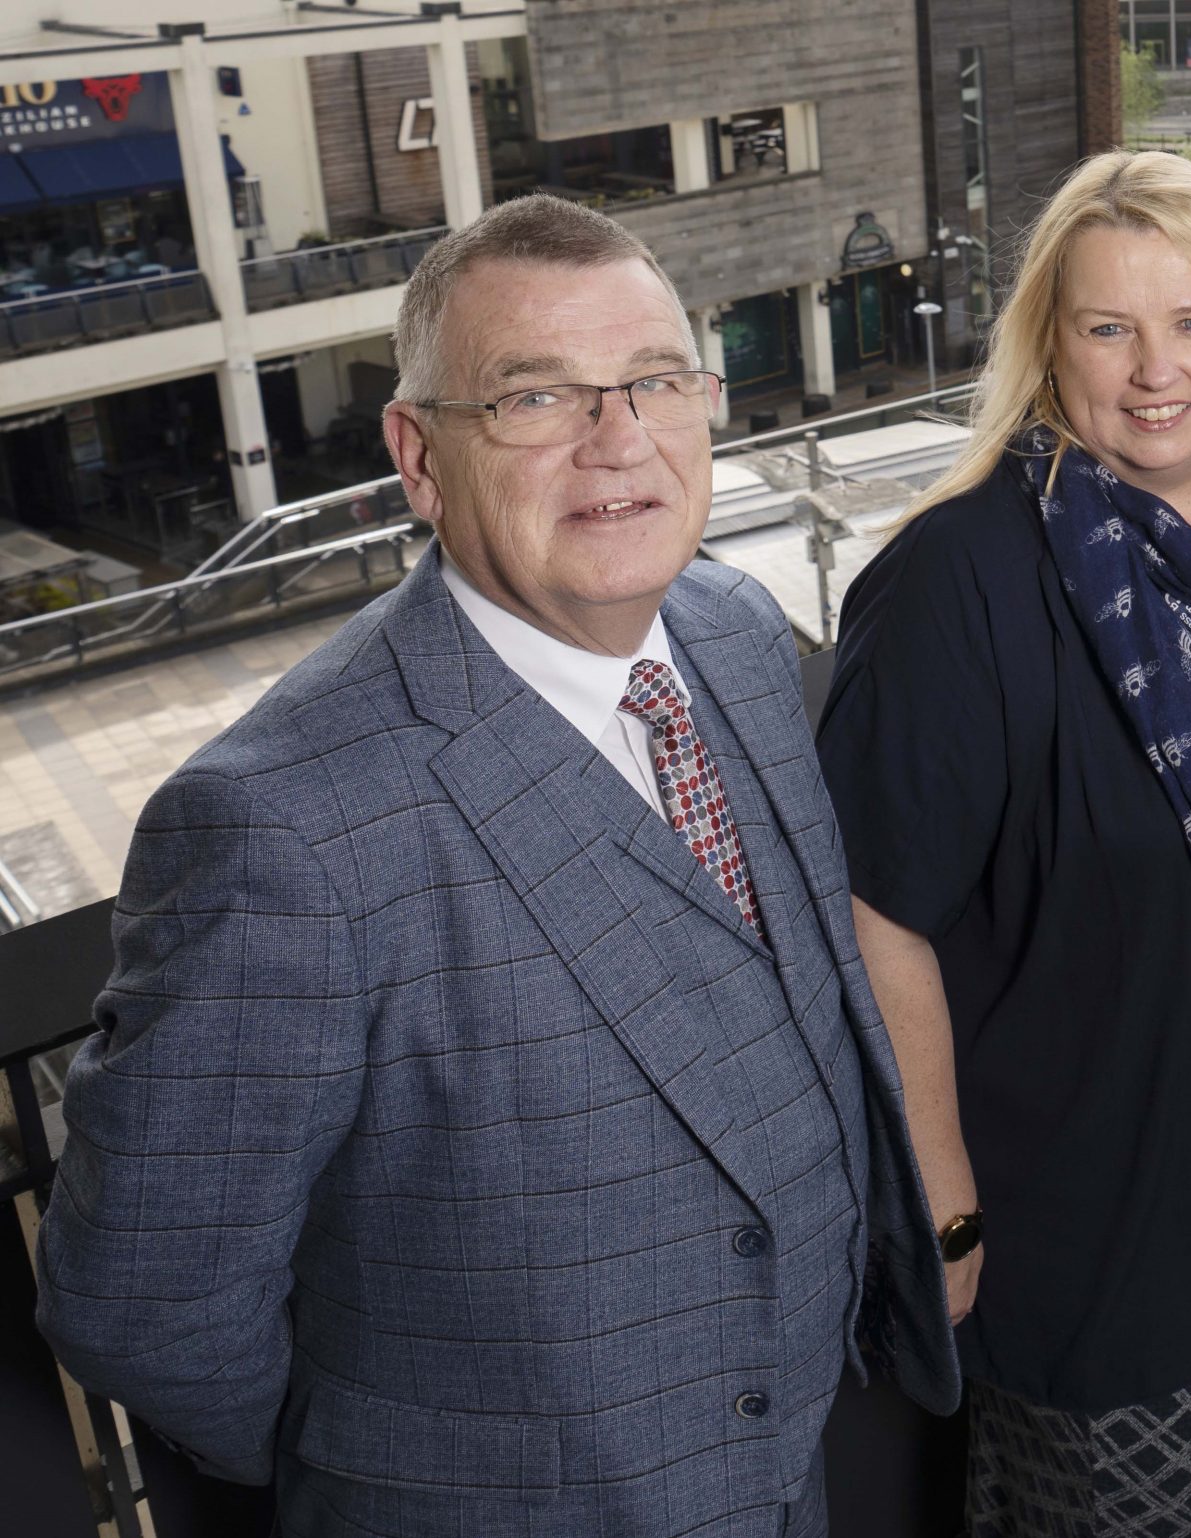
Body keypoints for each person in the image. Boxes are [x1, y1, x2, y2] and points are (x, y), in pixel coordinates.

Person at [34, 195, 960, 1537]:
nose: (620, 440)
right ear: (418, 457)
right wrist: (409, 1470)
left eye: (655, 380)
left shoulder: (739, 634)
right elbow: (141, 1294)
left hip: (789, 1461)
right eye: (538, 399)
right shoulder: (276, 826)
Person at [813, 150, 1191, 1537]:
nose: (1157, 370)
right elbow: (871, 909)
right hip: (1093, 1212)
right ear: (1047, 345)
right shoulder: (958, 578)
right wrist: (945, 1201)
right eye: (1108, 327)